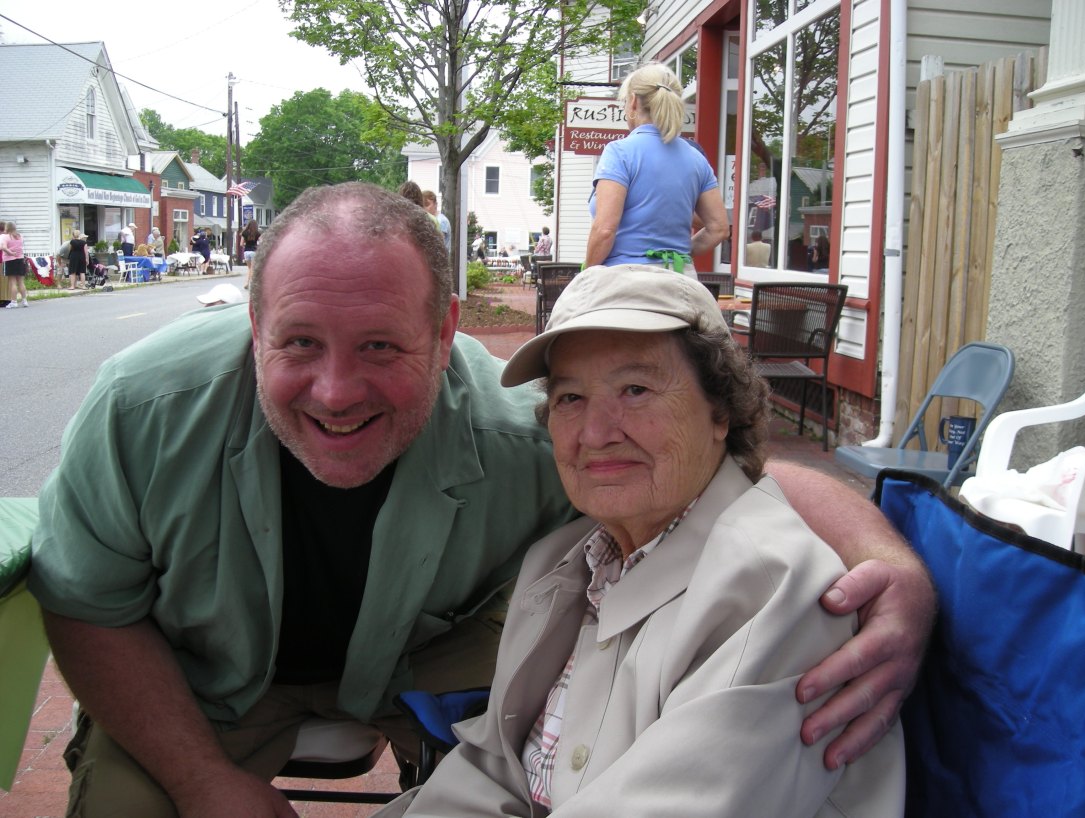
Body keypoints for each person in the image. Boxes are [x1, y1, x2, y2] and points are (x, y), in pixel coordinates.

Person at [29, 182, 932, 817]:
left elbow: (732, 478)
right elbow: (86, 603)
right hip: (203, 685)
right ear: (253, 325)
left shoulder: (535, 438)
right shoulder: (142, 409)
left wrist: (888, 563)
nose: (336, 392)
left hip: (418, 658)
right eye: (299, 342)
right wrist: (199, 782)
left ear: (444, 331)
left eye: (381, 346)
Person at [378, 265, 904, 816]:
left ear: (721, 410)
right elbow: (494, 767)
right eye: (570, 398)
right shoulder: (562, 561)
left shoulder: (774, 592)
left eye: (636, 390)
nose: (596, 433)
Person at [584, 62, 729, 276]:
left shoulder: (619, 152)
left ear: (633, 101)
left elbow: (605, 230)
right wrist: (676, 254)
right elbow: (719, 228)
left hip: (625, 278)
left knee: (569, 299)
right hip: (681, 277)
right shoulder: (696, 158)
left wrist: (586, 274)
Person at [1, 221, 28, 308]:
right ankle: (24, 300)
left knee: (12, 282)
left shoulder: (5, 237)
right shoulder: (20, 236)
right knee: (21, 282)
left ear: (7, 228)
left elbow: (3, 247)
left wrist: (11, 253)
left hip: (10, 260)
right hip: (20, 259)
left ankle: (14, 301)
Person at [241, 219, 261, 290]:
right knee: (252, 269)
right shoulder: (257, 233)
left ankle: (248, 283)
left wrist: (246, 245)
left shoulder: (244, 233)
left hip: (246, 252)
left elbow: (241, 244)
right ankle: (250, 283)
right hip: (254, 252)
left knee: (249, 268)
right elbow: (262, 241)